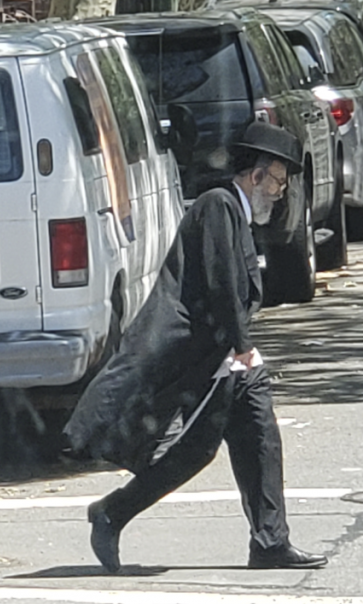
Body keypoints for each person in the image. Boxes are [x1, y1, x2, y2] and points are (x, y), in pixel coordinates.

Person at [63, 122, 328, 573]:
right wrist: (242, 348)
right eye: (279, 182)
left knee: (259, 438)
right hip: (215, 357)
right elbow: (220, 280)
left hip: (228, 359)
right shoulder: (219, 205)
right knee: (195, 451)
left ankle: (269, 540)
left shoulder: (232, 212)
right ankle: (112, 512)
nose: (281, 194)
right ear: (256, 174)